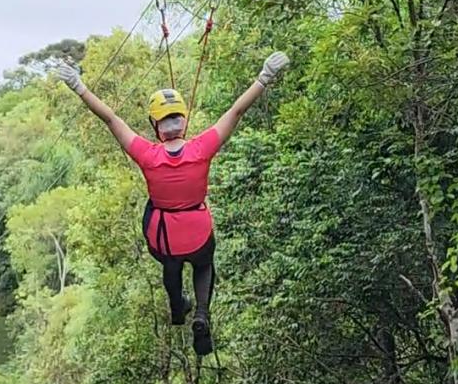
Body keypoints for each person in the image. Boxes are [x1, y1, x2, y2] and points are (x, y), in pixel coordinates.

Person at [57, 51, 291, 355]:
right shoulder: (201, 148)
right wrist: (264, 77)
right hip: (198, 230)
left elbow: (111, 119)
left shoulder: (148, 155)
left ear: (156, 125)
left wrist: (78, 86)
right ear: (183, 119)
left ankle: (176, 304)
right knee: (204, 264)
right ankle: (202, 314)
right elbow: (235, 112)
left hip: (164, 235)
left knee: (170, 256)